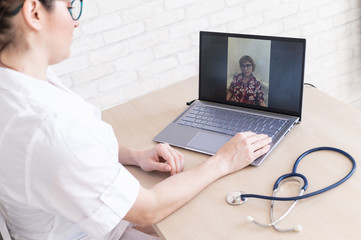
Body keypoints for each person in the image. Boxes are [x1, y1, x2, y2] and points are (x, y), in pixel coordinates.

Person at [0, 0, 272, 239]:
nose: (76, 21)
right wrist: (224, 160)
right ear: (34, 12)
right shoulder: (48, 126)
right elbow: (148, 208)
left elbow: (70, 156)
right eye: (70, 6)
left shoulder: (19, 81)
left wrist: (135, 156)